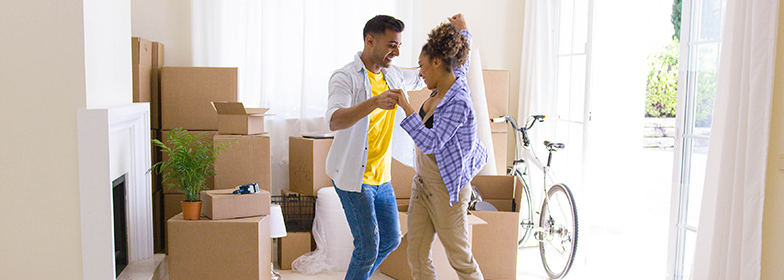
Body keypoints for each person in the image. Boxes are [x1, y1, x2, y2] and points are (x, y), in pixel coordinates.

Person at [324, 15, 424, 280]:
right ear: (370, 41)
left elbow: (421, 77)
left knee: (391, 240)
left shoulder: (393, 74)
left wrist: (453, 53)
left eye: (399, 45)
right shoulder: (346, 77)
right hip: (353, 177)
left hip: (382, 178)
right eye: (391, 44)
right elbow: (334, 120)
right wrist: (374, 102)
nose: (397, 52)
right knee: (367, 248)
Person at [394, 14, 487, 280]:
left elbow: (432, 142)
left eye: (422, 66)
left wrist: (407, 107)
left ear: (437, 62)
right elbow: (461, 59)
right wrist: (464, 30)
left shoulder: (459, 101)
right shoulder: (450, 76)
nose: (420, 73)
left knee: (460, 260)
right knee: (417, 255)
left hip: (447, 191)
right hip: (422, 184)